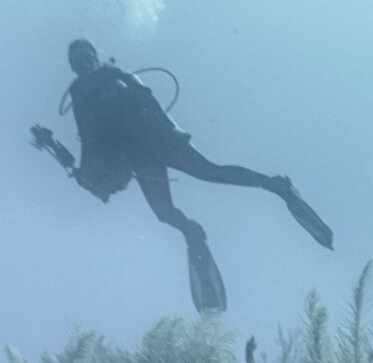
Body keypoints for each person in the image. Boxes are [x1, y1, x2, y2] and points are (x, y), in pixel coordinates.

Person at [30, 39, 332, 313]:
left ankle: (279, 187)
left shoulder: (114, 77)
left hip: (154, 143)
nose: (81, 63)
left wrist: (170, 134)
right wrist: (55, 146)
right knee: (165, 211)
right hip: (140, 154)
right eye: (76, 60)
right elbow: (88, 153)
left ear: (94, 57)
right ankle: (195, 234)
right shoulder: (82, 95)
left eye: (85, 57)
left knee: (209, 173)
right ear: (72, 65)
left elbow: (144, 106)